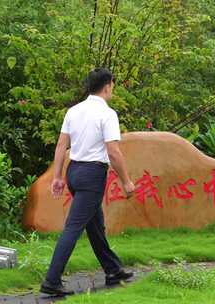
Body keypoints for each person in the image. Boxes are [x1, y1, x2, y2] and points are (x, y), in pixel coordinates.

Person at [40, 68, 135, 296]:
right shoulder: (107, 114)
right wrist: (126, 182)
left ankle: (113, 270)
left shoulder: (74, 111)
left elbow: (62, 146)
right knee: (73, 227)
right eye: (113, 85)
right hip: (92, 176)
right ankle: (51, 281)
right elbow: (113, 151)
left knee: (95, 225)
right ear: (108, 86)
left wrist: (58, 177)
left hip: (74, 173)